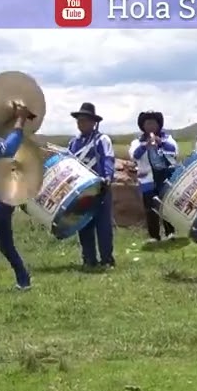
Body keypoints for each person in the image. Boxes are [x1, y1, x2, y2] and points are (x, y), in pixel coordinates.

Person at [0, 104, 34, 291]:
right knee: (5, 244)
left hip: (3, 197)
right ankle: (24, 279)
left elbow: (9, 150)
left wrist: (20, 119)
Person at [67, 103, 116, 270]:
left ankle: (107, 259)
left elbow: (107, 159)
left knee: (103, 226)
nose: (81, 124)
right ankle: (89, 259)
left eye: (85, 120)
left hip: (100, 187)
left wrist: (108, 177)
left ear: (94, 122)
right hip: (81, 189)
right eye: (79, 121)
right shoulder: (73, 143)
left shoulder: (102, 140)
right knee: (84, 225)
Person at [128, 111, 178, 242]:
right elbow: (134, 155)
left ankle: (170, 232)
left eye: (153, 123)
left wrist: (161, 143)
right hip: (147, 180)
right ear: (142, 126)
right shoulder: (137, 142)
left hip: (164, 178)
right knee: (150, 208)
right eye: (147, 123)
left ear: (159, 125)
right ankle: (154, 236)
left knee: (166, 206)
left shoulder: (167, 139)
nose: (150, 126)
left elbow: (174, 151)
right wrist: (146, 146)